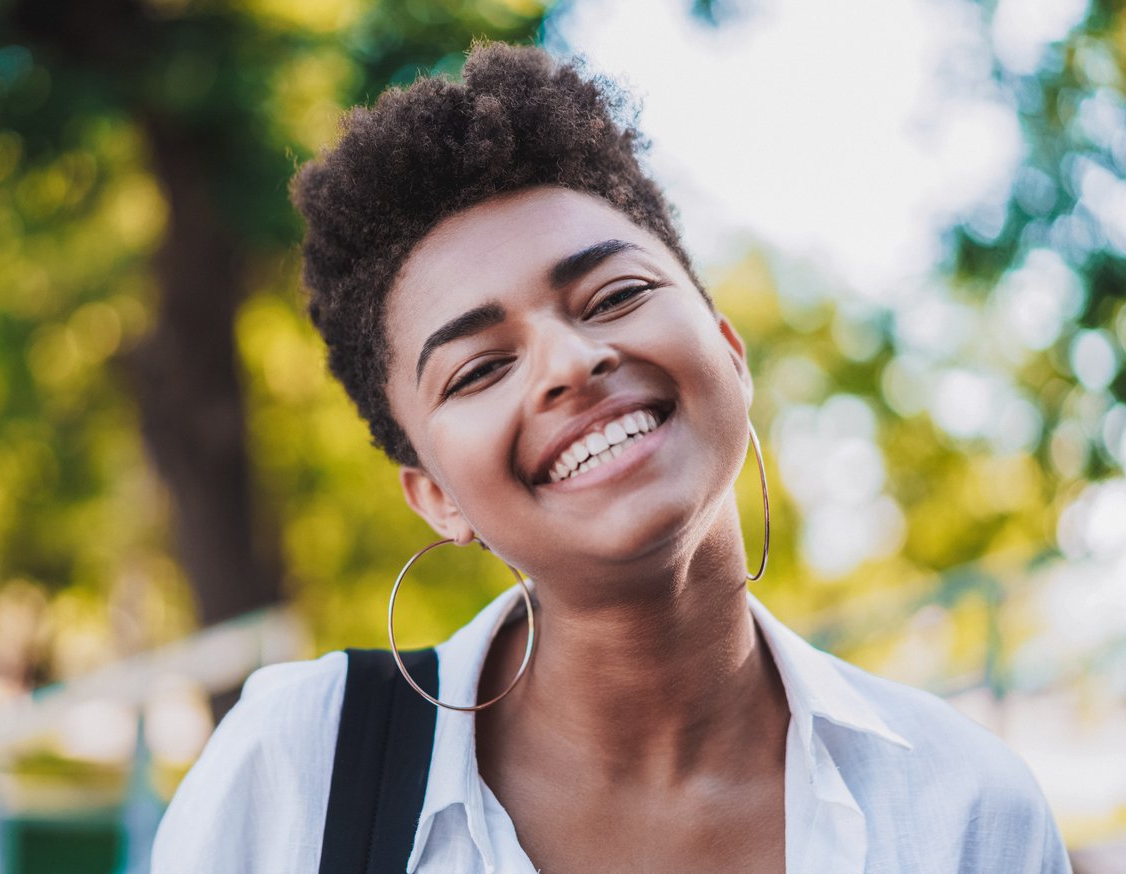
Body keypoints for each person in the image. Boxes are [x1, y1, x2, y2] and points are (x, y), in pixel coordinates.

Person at [151, 42, 1071, 872]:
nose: (571, 362)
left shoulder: (966, 809)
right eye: (479, 369)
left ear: (729, 353)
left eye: (614, 294)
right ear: (435, 496)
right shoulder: (296, 769)